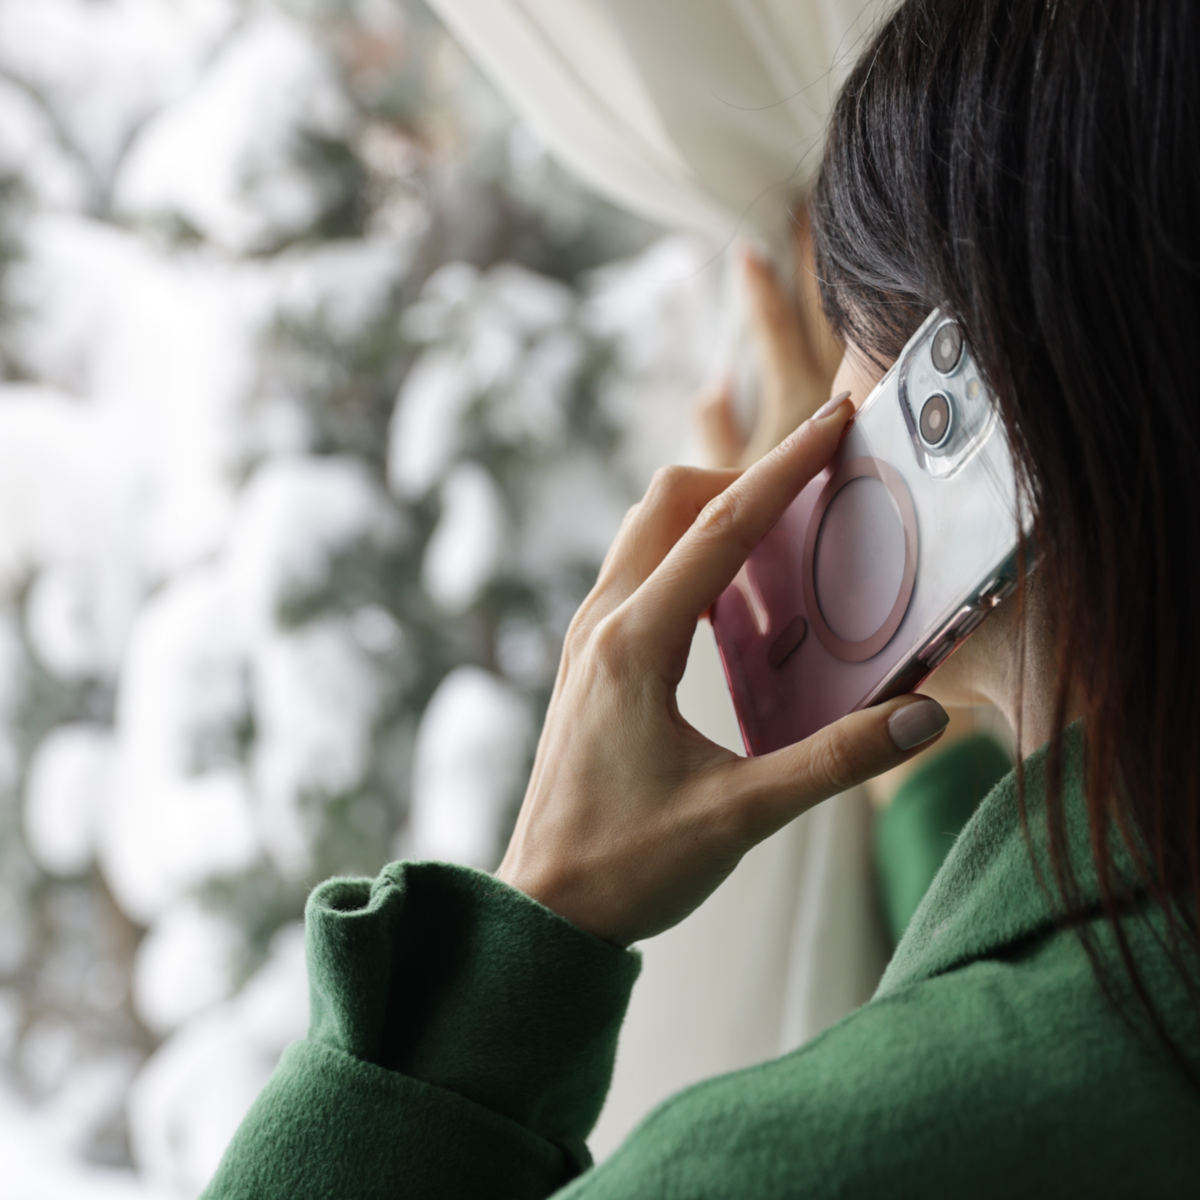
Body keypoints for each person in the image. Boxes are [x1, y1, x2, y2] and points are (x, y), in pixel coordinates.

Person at [201, 0, 1200, 1195]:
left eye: (846, 320)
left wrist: (537, 913)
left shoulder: (788, 1167)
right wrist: (928, 765)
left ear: (989, 389)